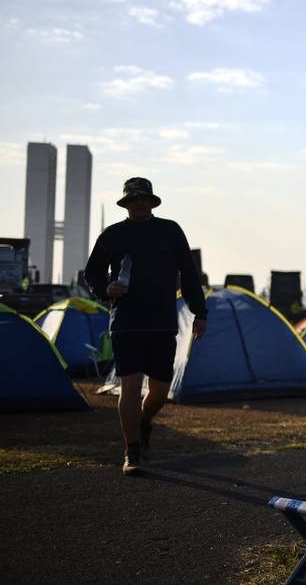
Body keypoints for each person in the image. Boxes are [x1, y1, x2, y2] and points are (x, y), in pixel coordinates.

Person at [84, 177, 208, 476]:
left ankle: (144, 421)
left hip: (162, 321)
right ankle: (132, 452)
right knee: (129, 387)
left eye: (143, 199)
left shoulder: (170, 231)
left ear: (152, 202)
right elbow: (92, 274)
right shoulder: (112, 235)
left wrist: (199, 312)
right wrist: (106, 289)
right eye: (133, 200)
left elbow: (189, 274)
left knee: (160, 391)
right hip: (125, 322)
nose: (138, 204)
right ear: (126, 204)